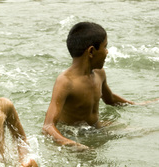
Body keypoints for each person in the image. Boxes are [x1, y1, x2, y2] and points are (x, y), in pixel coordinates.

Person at [43, 21, 138, 150]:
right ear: (91, 51)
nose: (107, 52)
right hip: (73, 135)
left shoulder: (99, 74)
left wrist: (139, 105)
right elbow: (48, 126)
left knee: (141, 131)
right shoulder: (66, 81)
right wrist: (69, 143)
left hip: (96, 129)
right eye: (105, 47)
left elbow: (110, 99)